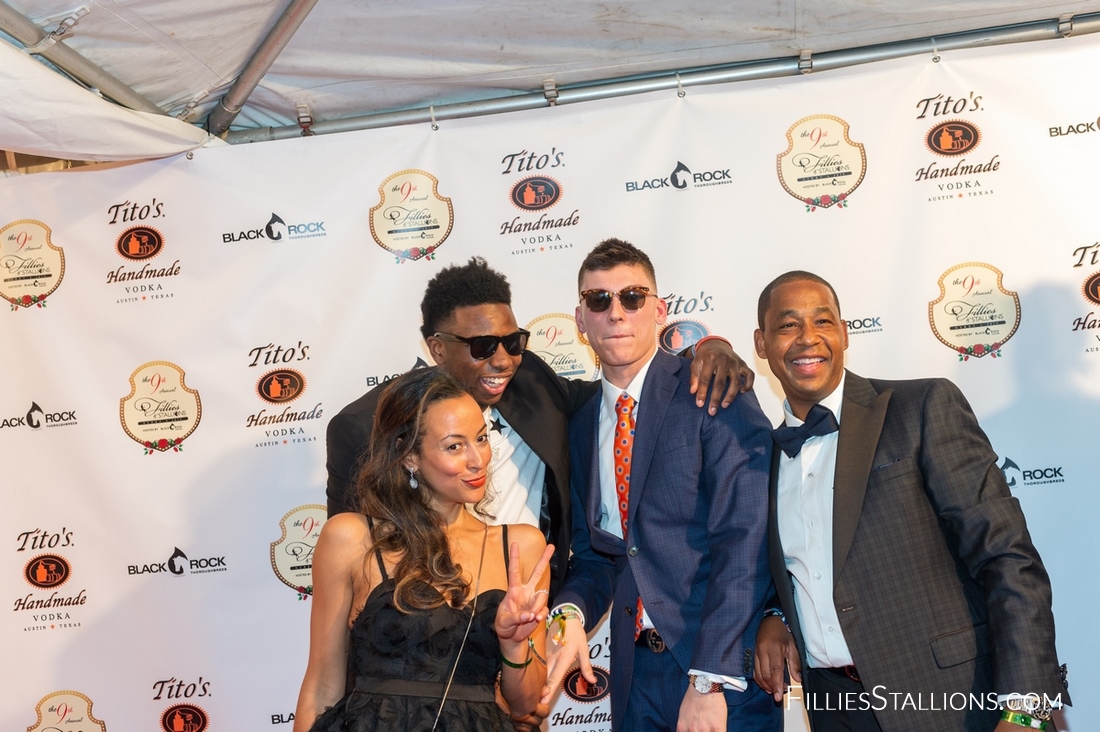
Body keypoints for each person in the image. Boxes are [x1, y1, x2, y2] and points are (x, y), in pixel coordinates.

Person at [326, 257, 754, 603]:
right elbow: (352, 570)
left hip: (532, 618)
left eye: (513, 342)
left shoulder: (531, 383)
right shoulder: (365, 428)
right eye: (481, 347)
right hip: (423, 625)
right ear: (437, 348)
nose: (502, 360)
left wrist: (707, 347)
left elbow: (619, 394)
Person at [751, 271, 1069, 732]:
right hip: (836, 709)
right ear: (761, 344)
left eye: (823, 321)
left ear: (844, 333)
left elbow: (1007, 556)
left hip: (953, 701)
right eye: (787, 325)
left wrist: (1027, 707)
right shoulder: (763, 456)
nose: (808, 338)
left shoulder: (920, 406)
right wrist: (775, 614)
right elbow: (788, 571)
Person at [543, 239, 780, 732]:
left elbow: (746, 538)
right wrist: (567, 615)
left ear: (659, 310)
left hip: (721, 673)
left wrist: (710, 679)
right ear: (580, 320)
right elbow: (599, 556)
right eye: (598, 300)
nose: (616, 312)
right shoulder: (581, 424)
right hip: (634, 678)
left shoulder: (711, 388)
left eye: (632, 297)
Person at [294, 368, 554, 732]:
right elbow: (321, 686)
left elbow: (526, 704)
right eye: (454, 446)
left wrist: (513, 645)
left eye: (481, 438)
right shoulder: (351, 537)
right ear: (409, 456)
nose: (478, 459)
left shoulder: (521, 547)